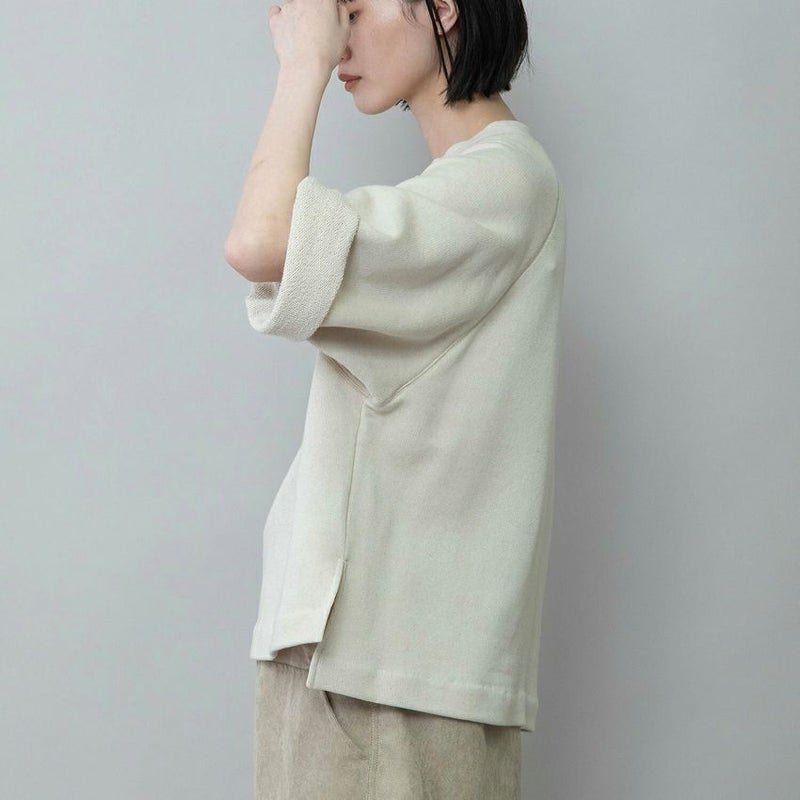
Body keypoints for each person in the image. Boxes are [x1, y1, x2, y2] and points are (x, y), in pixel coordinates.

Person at [224, 0, 566, 796]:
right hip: (355, 659)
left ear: (442, 8)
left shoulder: (502, 183)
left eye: (350, 9)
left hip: (390, 675)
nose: (335, 37)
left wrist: (301, 67)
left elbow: (260, 243)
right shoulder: (463, 190)